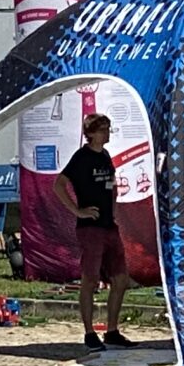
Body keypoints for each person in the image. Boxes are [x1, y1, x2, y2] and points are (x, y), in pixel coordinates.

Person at [56, 112, 132, 353]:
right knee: (90, 280)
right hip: (90, 229)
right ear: (91, 133)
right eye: (103, 130)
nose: (107, 134)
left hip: (109, 225)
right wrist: (77, 211)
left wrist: (114, 202)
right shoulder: (81, 157)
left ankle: (112, 330)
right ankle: (89, 332)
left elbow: (111, 183)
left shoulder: (106, 155)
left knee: (120, 279)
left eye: (109, 129)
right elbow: (59, 185)